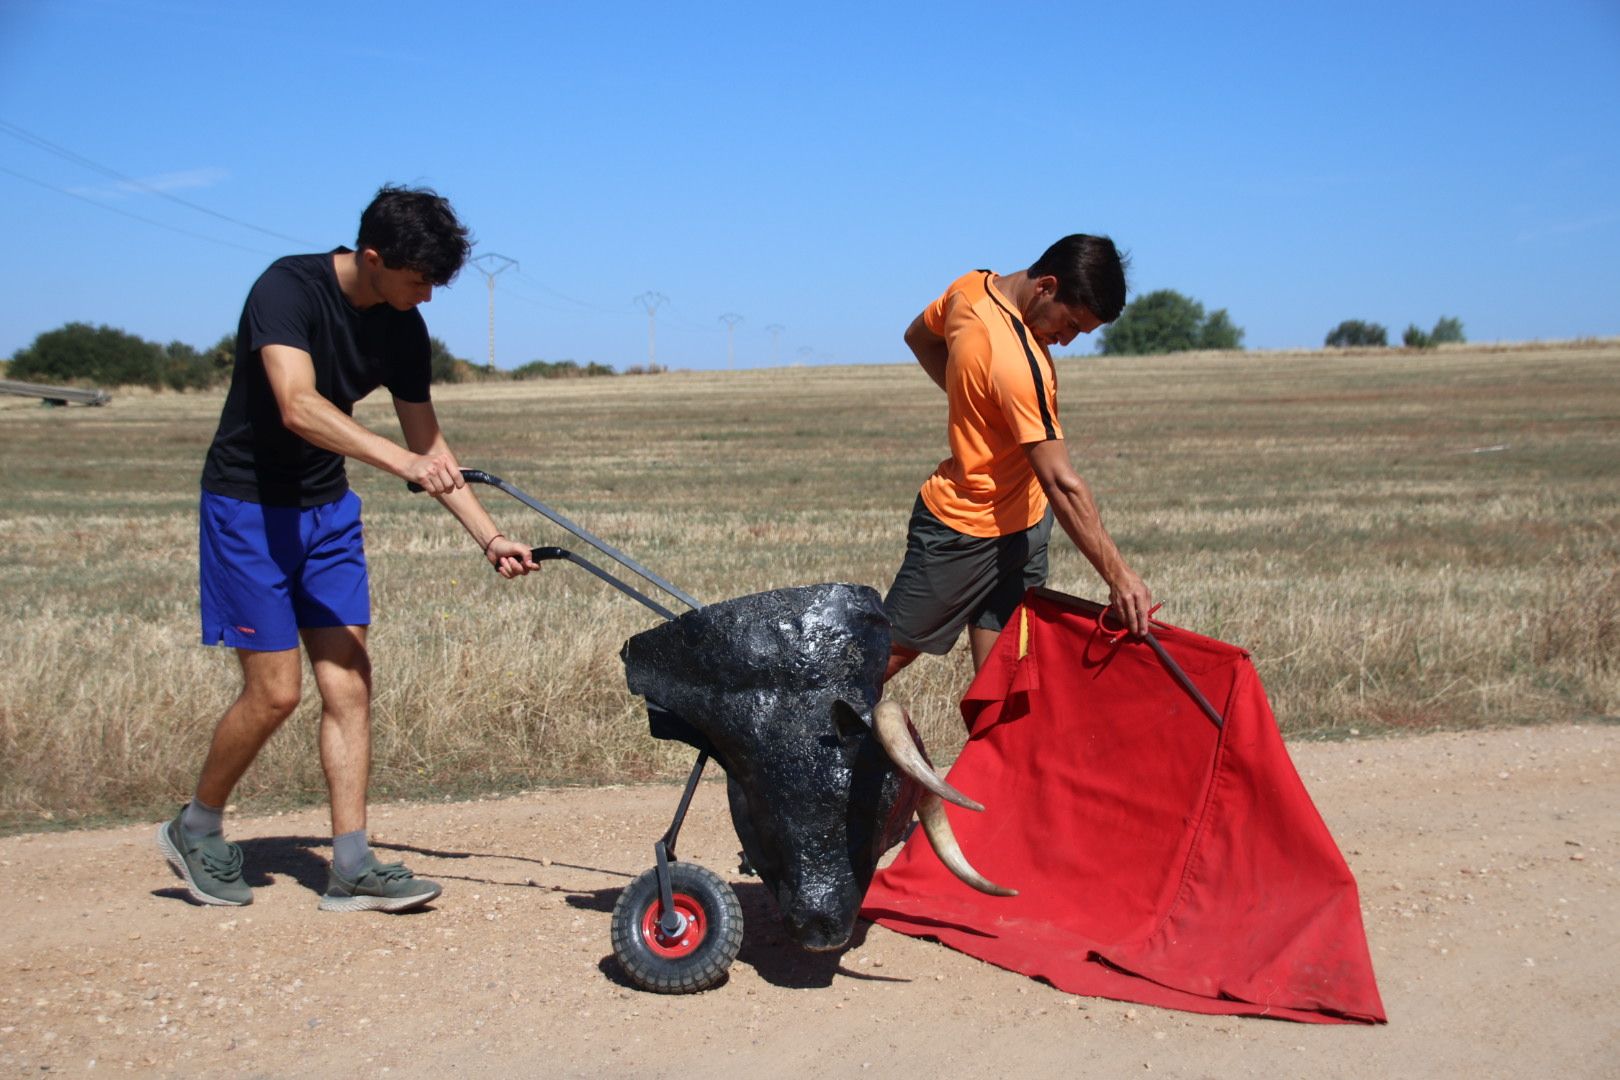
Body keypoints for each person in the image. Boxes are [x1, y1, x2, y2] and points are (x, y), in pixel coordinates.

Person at [157, 185, 539, 912]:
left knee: (350, 685)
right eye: (418, 278)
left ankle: (352, 863)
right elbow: (297, 404)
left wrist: (488, 535)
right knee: (275, 693)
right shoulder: (285, 288)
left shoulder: (401, 326)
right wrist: (399, 464)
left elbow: (429, 443)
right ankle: (195, 825)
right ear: (372, 257)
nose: (426, 296)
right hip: (248, 509)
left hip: (327, 511)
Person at [882, 234, 1153, 684]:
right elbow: (1062, 484)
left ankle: (995, 756)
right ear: (1046, 286)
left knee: (1004, 678)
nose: (1064, 342)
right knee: (886, 656)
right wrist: (1120, 576)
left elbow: (919, 337)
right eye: (1069, 325)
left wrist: (978, 404)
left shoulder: (968, 289)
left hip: (1026, 525)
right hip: (965, 529)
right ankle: (803, 742)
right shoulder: (1019, 363)